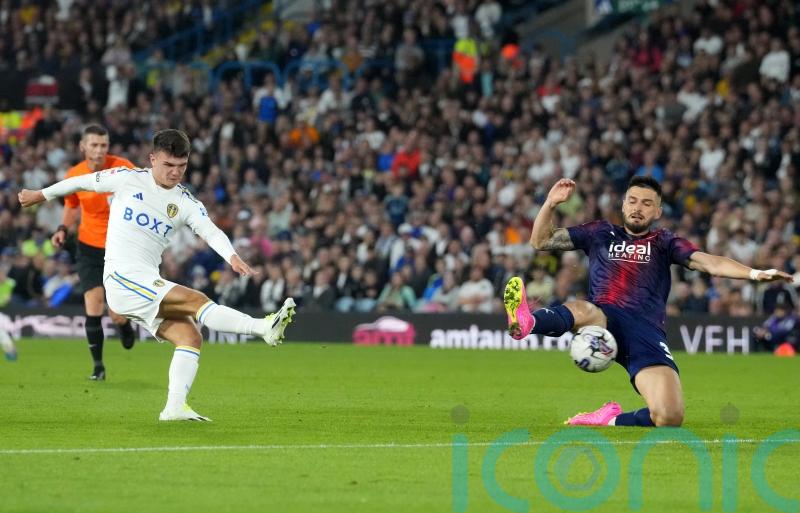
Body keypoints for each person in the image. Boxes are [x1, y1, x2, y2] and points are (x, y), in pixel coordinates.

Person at [19, 129, 296, 421]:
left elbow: (209, 230)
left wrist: (232, 256)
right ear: (153, 159)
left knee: (190, 336)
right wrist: (41, 194)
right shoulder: (127, 178)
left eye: (182, 166)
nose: (175, 172)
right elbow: (81, 182)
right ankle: (263, 328)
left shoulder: (186, 202)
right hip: (121, 278)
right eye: (168, 165)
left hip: (144, 282)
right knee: (196, 299)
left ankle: (174, 408)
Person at [504, 176, 794, 427]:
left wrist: (755, 273)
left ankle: (609, 419)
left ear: (657, 210)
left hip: (644, 333)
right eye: (632, 200)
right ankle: (529, 321)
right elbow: (541, 241)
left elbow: (709, 262)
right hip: (603, 320)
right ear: (623, 205)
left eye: (646, 203)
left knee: (670, 416)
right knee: (585, 308)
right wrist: (551, 203)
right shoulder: (600, 233)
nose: (637, 207)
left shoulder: (664, 242)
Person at [52, 124, 138, 381]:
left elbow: (143, 195)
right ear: (83, 146)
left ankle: (123, 325)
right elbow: (71, 206)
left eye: (103, 145)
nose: (99, 150)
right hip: (88, 247)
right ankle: (98, 366)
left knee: (116, 312)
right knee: (94, 302)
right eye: (94, 145)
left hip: (120, 248)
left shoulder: (123, 167)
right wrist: (62, 229)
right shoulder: (74, 174)